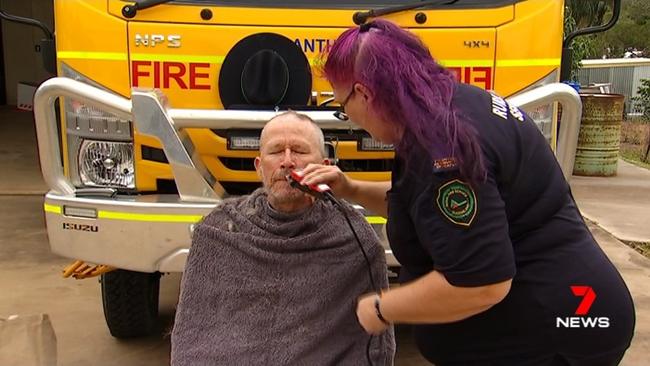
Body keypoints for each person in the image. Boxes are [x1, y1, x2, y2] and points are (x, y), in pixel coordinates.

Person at [300, 20, 635, 365]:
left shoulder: (445, 148)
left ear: (365, 94)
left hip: (556, 328)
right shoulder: (447, 107)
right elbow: (429, 206)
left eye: (343, 107)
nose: (351, 119)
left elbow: (482, 282)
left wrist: (381, 308)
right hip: (565, 311)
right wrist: (350, 188)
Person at [171, 111, 395, 365]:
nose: (287, 161)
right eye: (276, 151)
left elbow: (372, 348)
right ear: (259, 167)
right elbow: (192, 336)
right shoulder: (218, 231)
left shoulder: (353, 238)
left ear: (325, 166)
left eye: (299, 150)